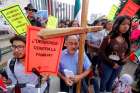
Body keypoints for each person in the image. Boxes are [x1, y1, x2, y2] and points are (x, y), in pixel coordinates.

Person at [99, 15, 131, 92]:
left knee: (112, 82)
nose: (126, 27)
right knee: (104, 81)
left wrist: (126, 58)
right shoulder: (109, 38)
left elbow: (127, 51)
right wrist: (112, 63)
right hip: (107, 65)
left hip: (119, 65)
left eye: (128, 24)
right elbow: (101, 52)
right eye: (123, 24)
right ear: (117, 24)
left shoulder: (127, 39)